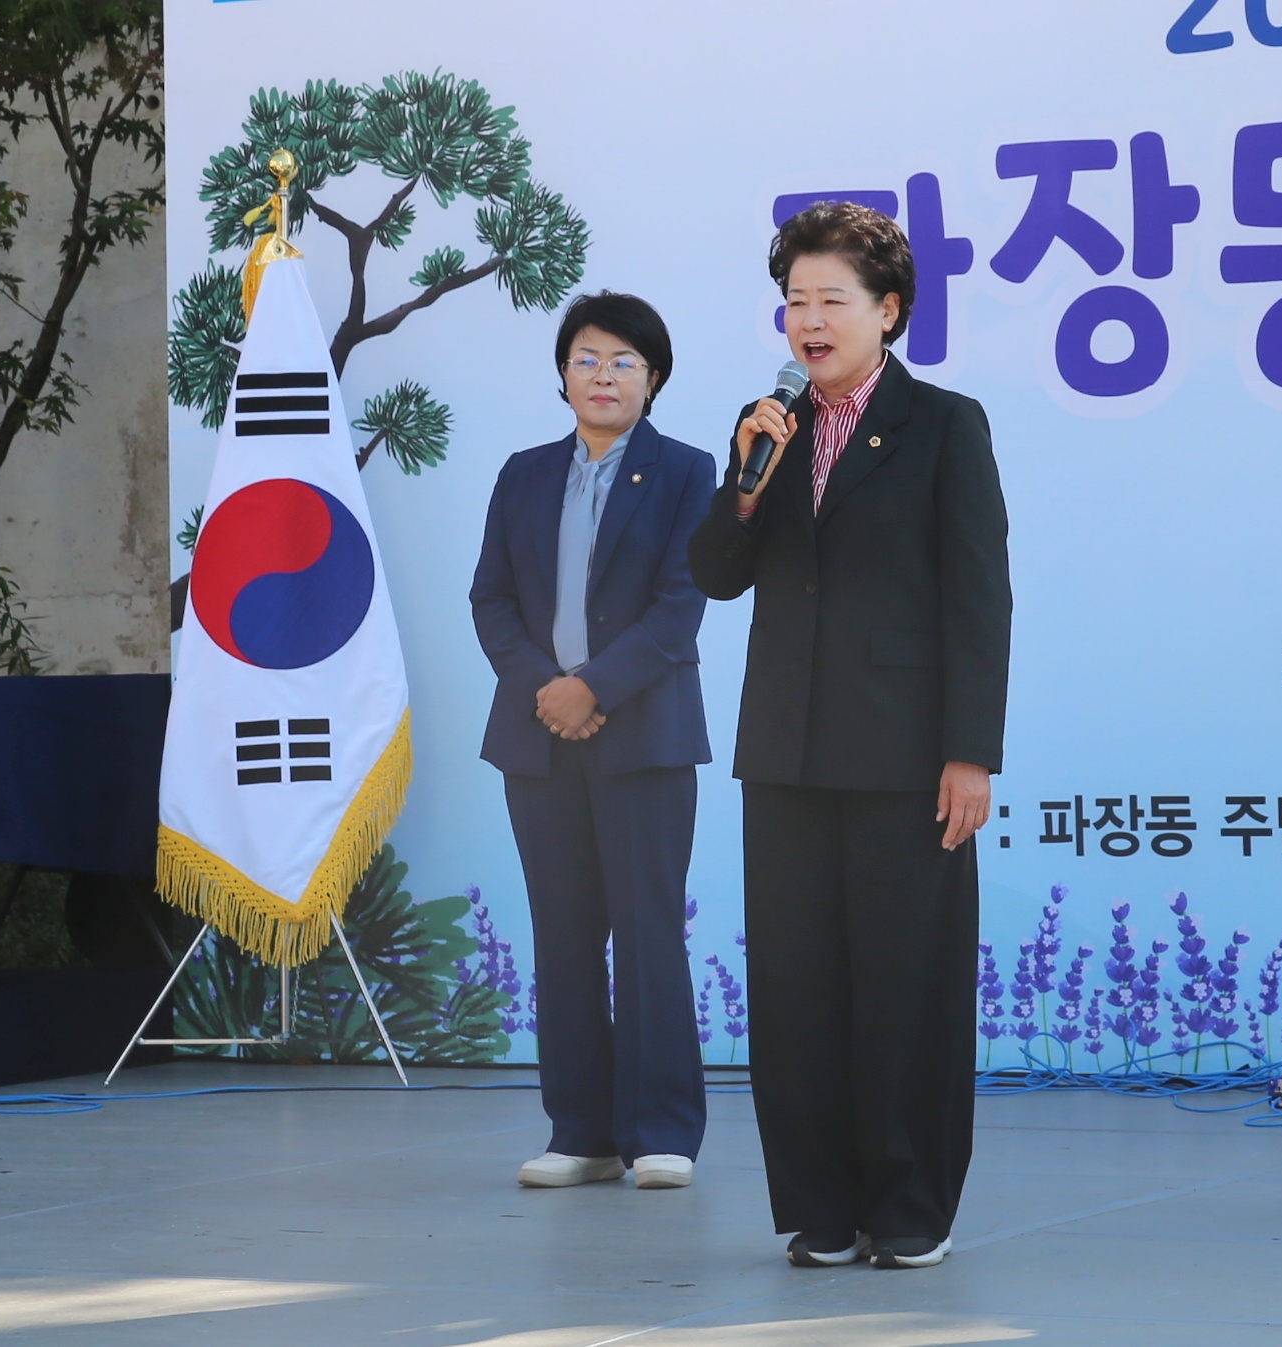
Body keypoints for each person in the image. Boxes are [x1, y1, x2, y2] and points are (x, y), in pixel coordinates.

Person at [689, 202, 1011, 1269]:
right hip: (783, 752)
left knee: (904, 987)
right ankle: (818, 1210)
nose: (808, 321)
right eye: (794, 302)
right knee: (796, 988)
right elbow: (715, 575)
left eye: (832, 300)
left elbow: (979, 598)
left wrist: (972, 752)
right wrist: (743, 485)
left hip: (904, 758)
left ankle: (911, 1206)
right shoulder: (767, 427)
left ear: (890, 310)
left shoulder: (945, 425)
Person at [470, 291, 715, 1189]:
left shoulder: (688, 472)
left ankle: (661, 1131)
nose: (602, 375)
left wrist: (593, 688)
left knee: (649, 931)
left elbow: (683, 603)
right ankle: (580, 1130)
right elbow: (489, 599)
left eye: (623, 361)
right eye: (586, 358)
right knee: (563, 932)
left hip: (643, 734)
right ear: (563, 373)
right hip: (539, 738)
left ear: (654, 380)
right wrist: (548, 689)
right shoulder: (524, 473)